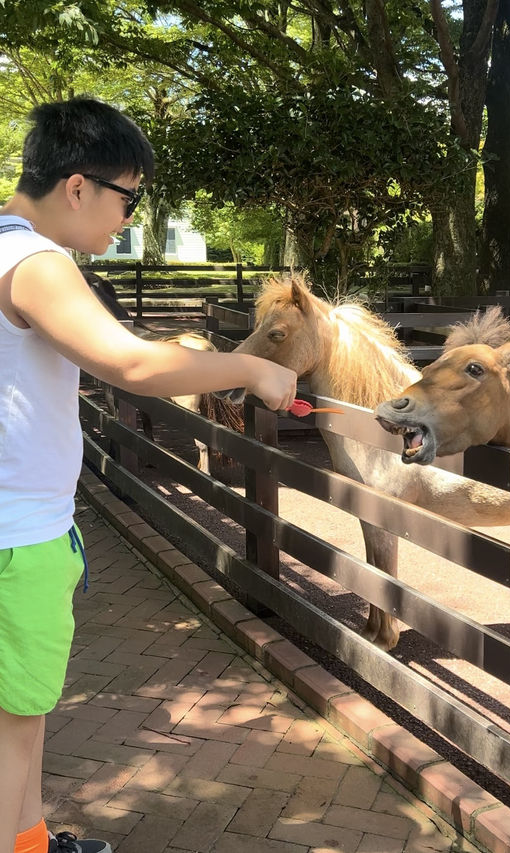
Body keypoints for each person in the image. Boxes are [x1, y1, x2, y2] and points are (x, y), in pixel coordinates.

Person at [0, 97, 297, 853]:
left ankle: (31, 837)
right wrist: (253, 366)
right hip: (16, 540)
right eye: (127, 197)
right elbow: (127, 361)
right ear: (78, 186)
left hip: (23, 530)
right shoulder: (35, 261)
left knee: (21, 717)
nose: (127, 219)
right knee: (12, 725)